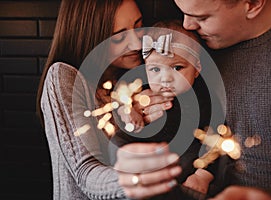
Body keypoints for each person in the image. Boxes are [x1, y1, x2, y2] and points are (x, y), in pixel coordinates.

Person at [114, 0, 271, 199]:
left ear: (253, 4)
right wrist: (131, 113)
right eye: (182, 12)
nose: (187, 26)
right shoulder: (187, 42)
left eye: (202, 17)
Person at [36, 0, 173, 199]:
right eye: (119, 36)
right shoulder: (64, 77)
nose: (137, 44)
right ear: (90, 36)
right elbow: (86, 174)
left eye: (138, 26)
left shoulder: (134, 79)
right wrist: (133, 179)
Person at [111, 20, 214, 199]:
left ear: (197, 68)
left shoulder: (203, 99)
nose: (165, 78)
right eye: (155, 69)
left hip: (185, 167)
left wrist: (202, 176)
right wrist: (130, 111)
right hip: (144, 159)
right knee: (117, 141)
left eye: (177, 67)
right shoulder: (141, 88)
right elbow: (121, 98)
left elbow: (215, 139)